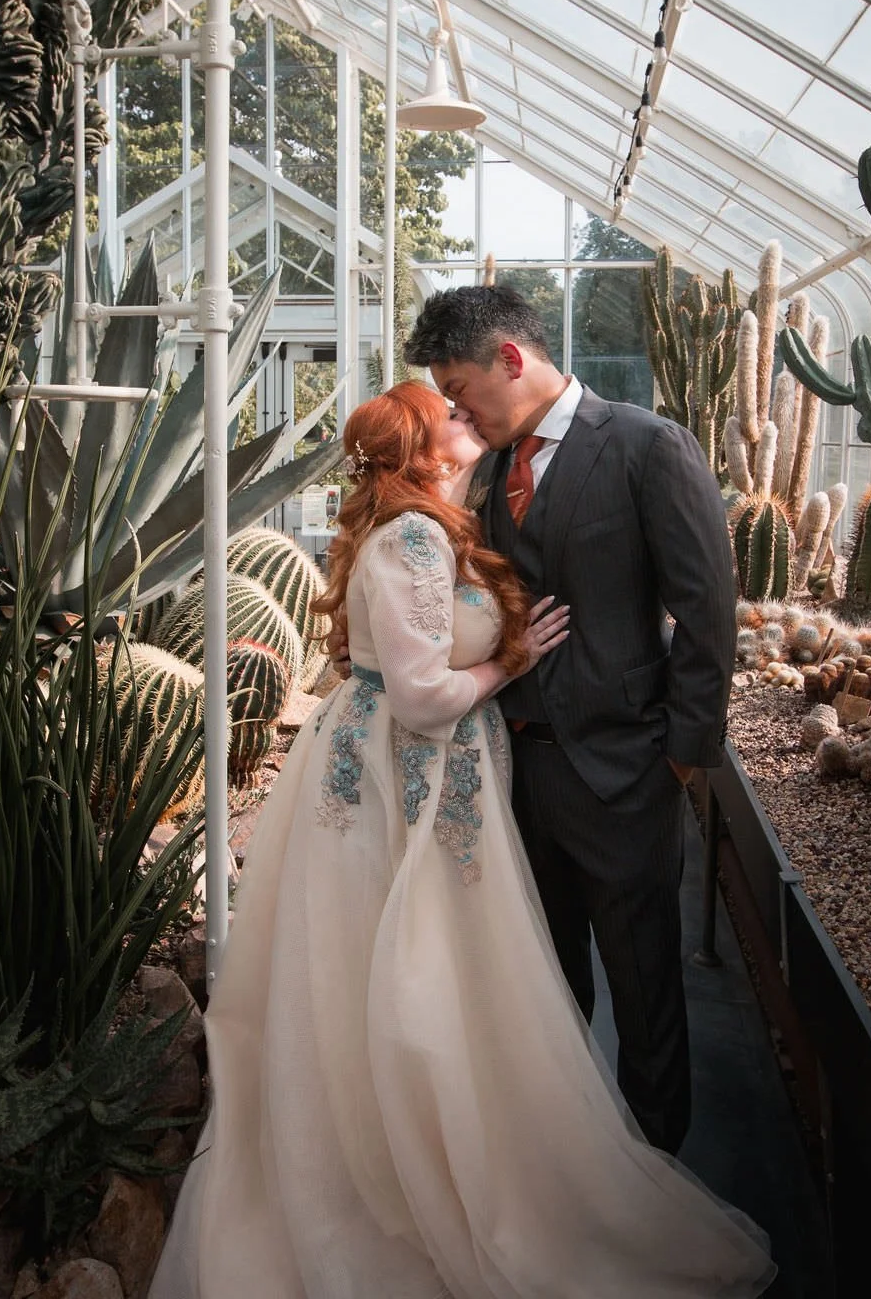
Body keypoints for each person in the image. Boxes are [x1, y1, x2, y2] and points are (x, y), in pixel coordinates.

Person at [149, 381, 773, 1299]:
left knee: (406, 974)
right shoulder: (411, 536)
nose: (466, 417)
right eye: (448, 415)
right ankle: (424, 1181)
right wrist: (507, 662)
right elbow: (423, 695)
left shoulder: (431, 520)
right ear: (424, 447)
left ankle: (451, 1156)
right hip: (404, 782)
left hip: (413, 781)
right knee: (416, 972)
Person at [404, 286, 737, 1158]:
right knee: (543, 992)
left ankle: (658, 1181)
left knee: (646, 996)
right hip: (518, 778)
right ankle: (573, 1170)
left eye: (461, 386)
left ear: (511, 359)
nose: (454, 408)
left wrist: (679, 761)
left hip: (627, 777)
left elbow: (706, 614)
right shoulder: (484, 473)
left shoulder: (647, 447)